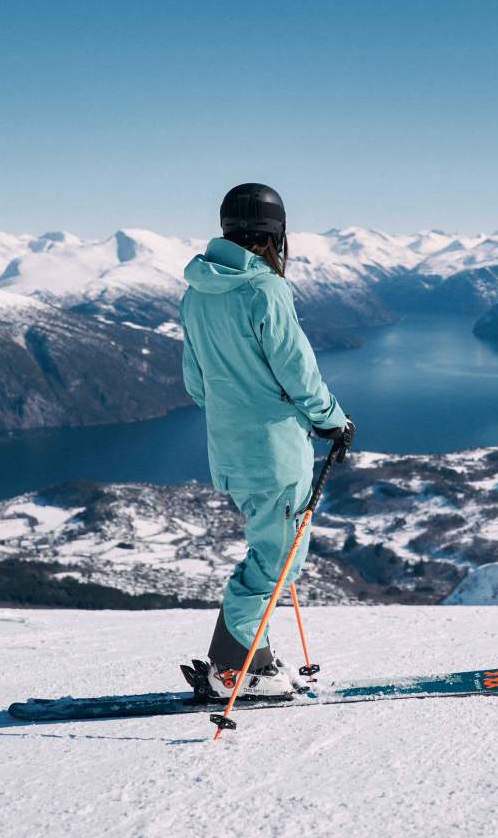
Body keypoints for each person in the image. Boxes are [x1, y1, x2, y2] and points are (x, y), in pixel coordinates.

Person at [179, 182, 353, 698]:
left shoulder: (198, 292)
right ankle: (233, 668)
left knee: (271, 552)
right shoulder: (265, 290)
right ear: (276, 234)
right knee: (277, 563)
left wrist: (237, 411)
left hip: (230, 452)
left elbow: (196, 384)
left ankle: (255, 658)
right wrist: (333, 420)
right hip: (275, 453)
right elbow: (299, 372)